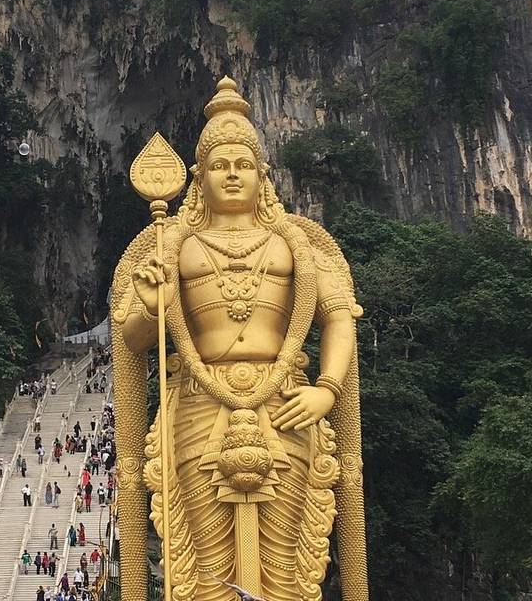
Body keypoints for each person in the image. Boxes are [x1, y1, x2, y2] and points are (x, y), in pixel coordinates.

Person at [112, 77, 368, 601]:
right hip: (199, 405)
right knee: (206, 570)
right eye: (220, 166)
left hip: (285, 405)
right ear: (198, 176)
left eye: (243, 165)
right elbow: (131, 336)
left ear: (263, 175)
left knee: (286, 565)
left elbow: (339, 315)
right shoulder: (172, 248)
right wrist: (152, 302)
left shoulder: (296, 244)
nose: (232, 175)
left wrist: (328, 388)